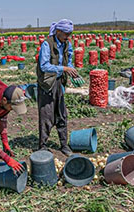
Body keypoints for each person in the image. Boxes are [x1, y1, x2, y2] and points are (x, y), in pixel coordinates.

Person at [36, 19, 80, 155]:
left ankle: (63, 145)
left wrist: (71, 70)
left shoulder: (67, 44)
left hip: (60, 82)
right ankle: (42, 145)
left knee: (62, 114)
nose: (68, 36)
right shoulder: (47, 44)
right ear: (58, 31)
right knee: (46, 115)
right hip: (47, 83)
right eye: (66, 34)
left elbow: (69, 61)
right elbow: (44, 66)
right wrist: (64, 68)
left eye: (70, 34)